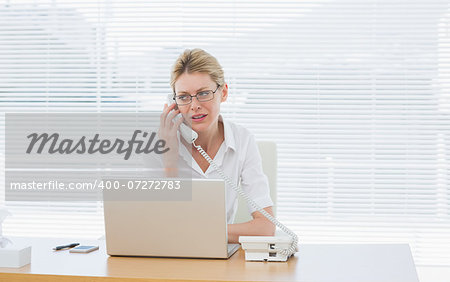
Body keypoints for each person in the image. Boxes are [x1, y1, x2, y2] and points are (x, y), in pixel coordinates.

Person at [158, 48, 275, 243]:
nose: (194, 105)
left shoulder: (243, 140)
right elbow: (158, 228)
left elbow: (265, 227)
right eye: (184, 97)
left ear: (224, 93)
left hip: (219, 260)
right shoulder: (158, 143)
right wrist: (169, 159)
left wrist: (199, 231)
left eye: (203, 93)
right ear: (174, 102)